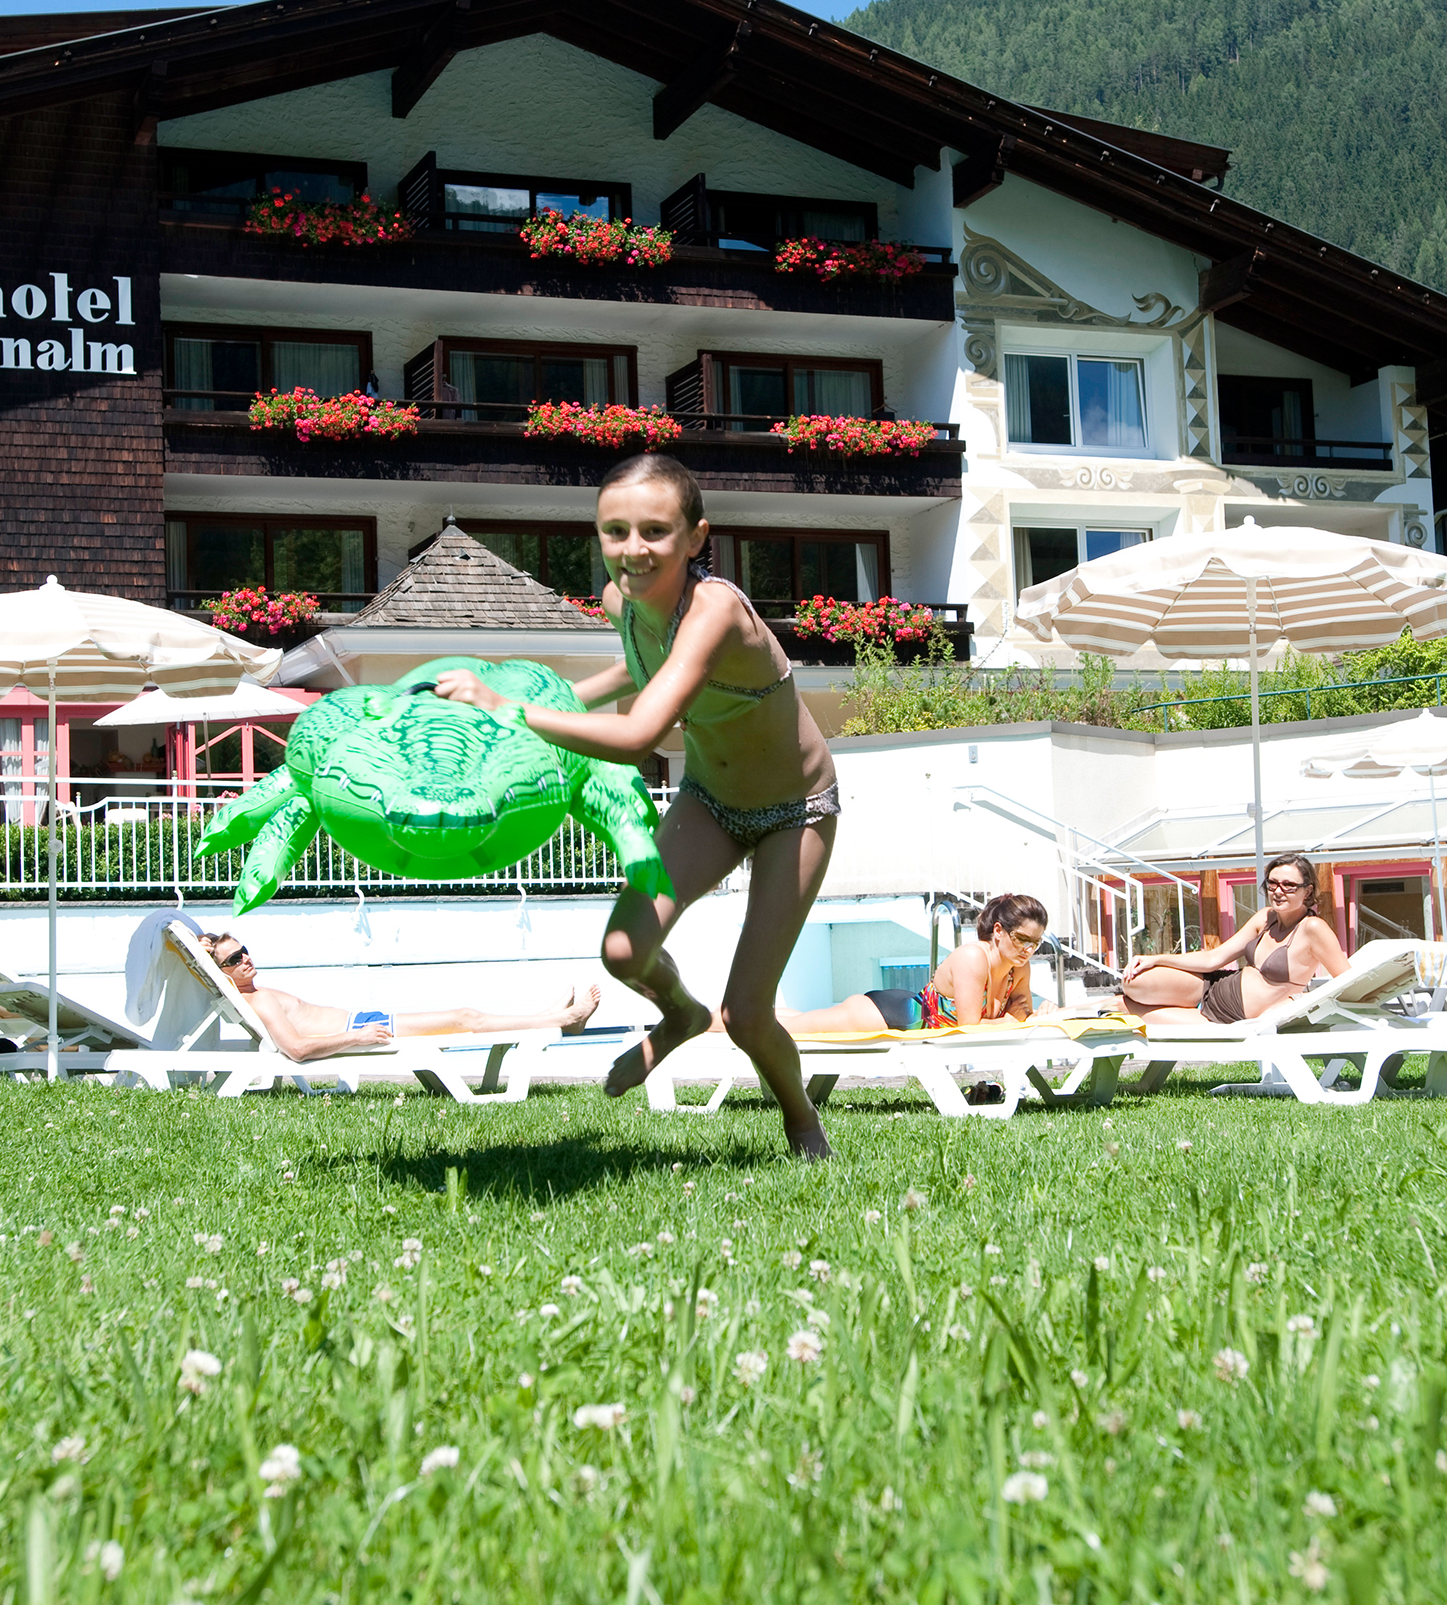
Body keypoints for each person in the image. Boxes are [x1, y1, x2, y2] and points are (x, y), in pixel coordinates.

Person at [428, 452, 843, 1158]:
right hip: (712, 799)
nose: (632, 550)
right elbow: (636, 670)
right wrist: (528, 707)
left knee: (745, 1012)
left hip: (793, 811)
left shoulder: (714, 610)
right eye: (614, 531)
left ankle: (802, 1121)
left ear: (695, 536)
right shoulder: (621, 601)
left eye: (654, 531)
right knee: (623, 950)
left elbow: (638, 734)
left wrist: (509, 708)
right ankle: (678, 1013)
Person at [188, 925, 599, 1060]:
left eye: (243, 950)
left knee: (464, 1015)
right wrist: (358, 1038)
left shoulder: (256, 990)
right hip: (364, 1029)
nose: (244, 958)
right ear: (222, 973)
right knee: (465, 1018)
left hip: (365, 1022)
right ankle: (562, 1019)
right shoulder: (257, 1000)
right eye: (232, 960)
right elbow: (295, 1049)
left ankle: (551, 1017)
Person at [1112, 853, 1348, 1020]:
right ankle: (1088, 1009)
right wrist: (1157, 959)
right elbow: (1214, 958)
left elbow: (1349, 981)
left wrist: (1304, 1001)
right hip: (1214, 986)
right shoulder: (1266, 917)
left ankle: (1089, 1009)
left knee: (1126, 1005)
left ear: (1307, 890)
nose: (1278, 891)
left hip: (1227, 1016)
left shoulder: (1313, 928)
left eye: (1288, 885)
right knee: (1135, 981)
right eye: (1272, 883)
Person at [781, 893, 1052, 1032]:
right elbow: (970, 1028)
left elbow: (1022, 1017)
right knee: (792, 1027)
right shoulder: (973, 958)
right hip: (886, 1015)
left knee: (796, 1018)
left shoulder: (1019, 967)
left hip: (905, 1008)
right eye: (1021, 939)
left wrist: (1044, 1011)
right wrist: (1009, 1020)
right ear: (998, 931)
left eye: (1035, 943)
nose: (1028, 949)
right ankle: (742, 1017)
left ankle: (750, 1015)